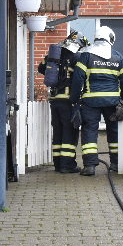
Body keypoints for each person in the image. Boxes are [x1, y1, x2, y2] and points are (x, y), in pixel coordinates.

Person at [70, 26, 123, 176]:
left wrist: (74, 99)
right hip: (112, 101)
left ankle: (90, 166)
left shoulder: (86, 56)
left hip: (90, 102)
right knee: (114, 132)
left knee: (89, 131)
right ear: (110, 38)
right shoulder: (117, 56)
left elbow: (78, 78)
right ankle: (116, 164)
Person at [37, 30, 89, 173]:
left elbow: (41, 68)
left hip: (54, 100)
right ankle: (67, 165)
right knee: (70, 132)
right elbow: (81, 77)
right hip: (68, 101)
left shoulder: (52, 56)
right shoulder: (77, 57)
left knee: (58, 131)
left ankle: (58, 164)